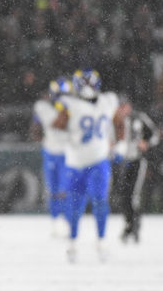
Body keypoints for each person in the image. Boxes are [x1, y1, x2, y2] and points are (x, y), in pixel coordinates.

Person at [53, 69, 124, 262]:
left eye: (89, 84)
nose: (86, 88)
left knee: (100, 200)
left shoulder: (108, 101)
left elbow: (119, 122)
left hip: (98, 160)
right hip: (75, 162)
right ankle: (73, 243)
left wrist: (120, 144)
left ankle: (101, 241)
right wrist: (65, 135)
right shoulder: (69, 104)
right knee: (75, 205)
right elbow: (57, 125)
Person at [30, 77, 72, 236]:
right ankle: (55, 222)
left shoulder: (74, 107)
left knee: (65, 190)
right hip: (50, 151)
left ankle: (68, 222)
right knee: (53, 189)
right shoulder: (42, 107)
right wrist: (42, 139)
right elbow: (35, 129)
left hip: (68, 153)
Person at [114, 100, 160, 242]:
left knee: (133, 195)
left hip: (137, 160)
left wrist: (146, 143)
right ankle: (129, 224)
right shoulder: (115, 120)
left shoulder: (139, 118)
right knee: (123, 195)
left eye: (124, 106)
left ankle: (135, 226)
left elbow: (155, 134)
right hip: (122, 161)